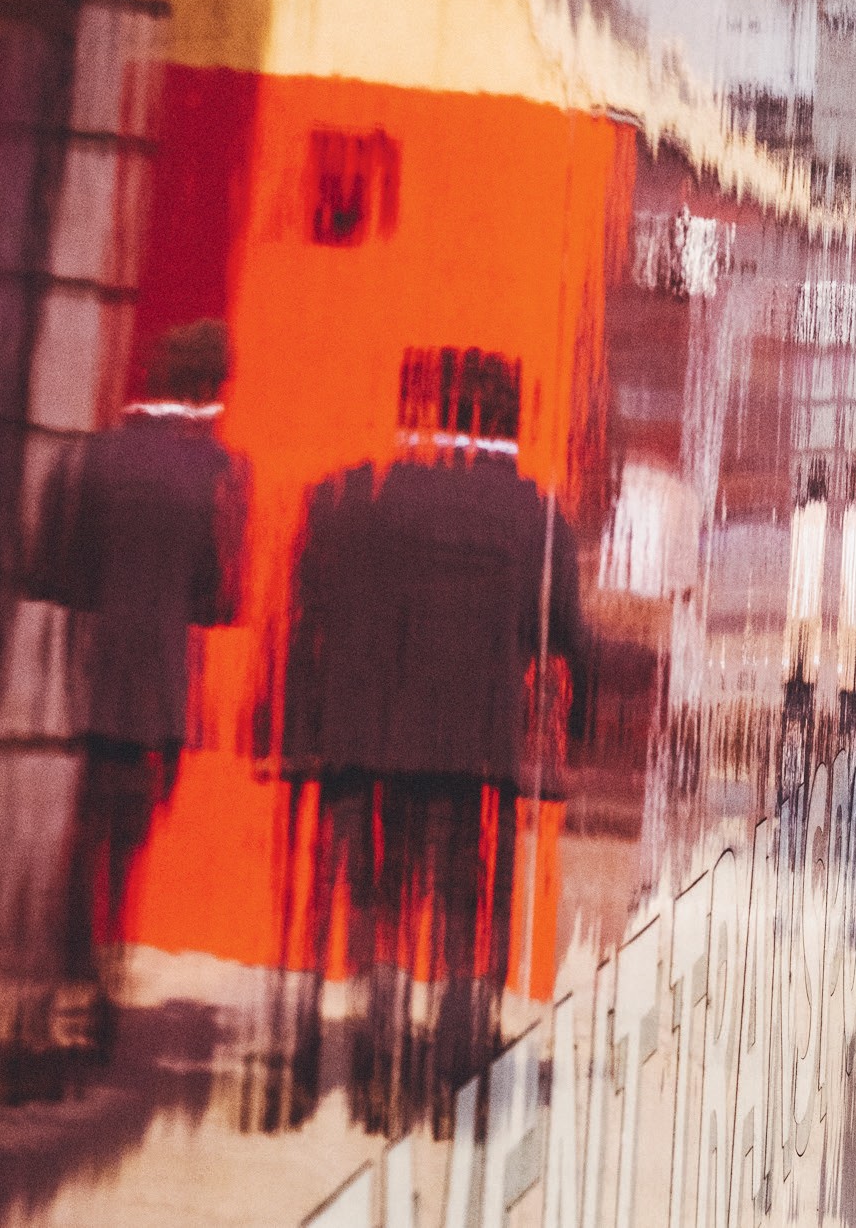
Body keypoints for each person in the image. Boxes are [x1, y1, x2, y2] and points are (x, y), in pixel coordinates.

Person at [274, 347, 584, 1137]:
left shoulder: (361, 498)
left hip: (375, 732)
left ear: (428, 412)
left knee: (379, 896)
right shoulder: (536, 516)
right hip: (475, 743)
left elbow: (317, 602)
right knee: (462, 901)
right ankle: (454, 1066)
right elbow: (560, 632)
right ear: (506, 419)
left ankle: (376, 1058)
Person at [36, 318, 248, 1053]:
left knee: (87, 821)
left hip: (93, 664)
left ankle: (72, 970)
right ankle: (104, 970)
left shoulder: (91, 457)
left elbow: (55, 571)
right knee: (128, 833)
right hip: (159, 676)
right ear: (207, 386)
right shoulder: (218, 471)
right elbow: (219, 598)